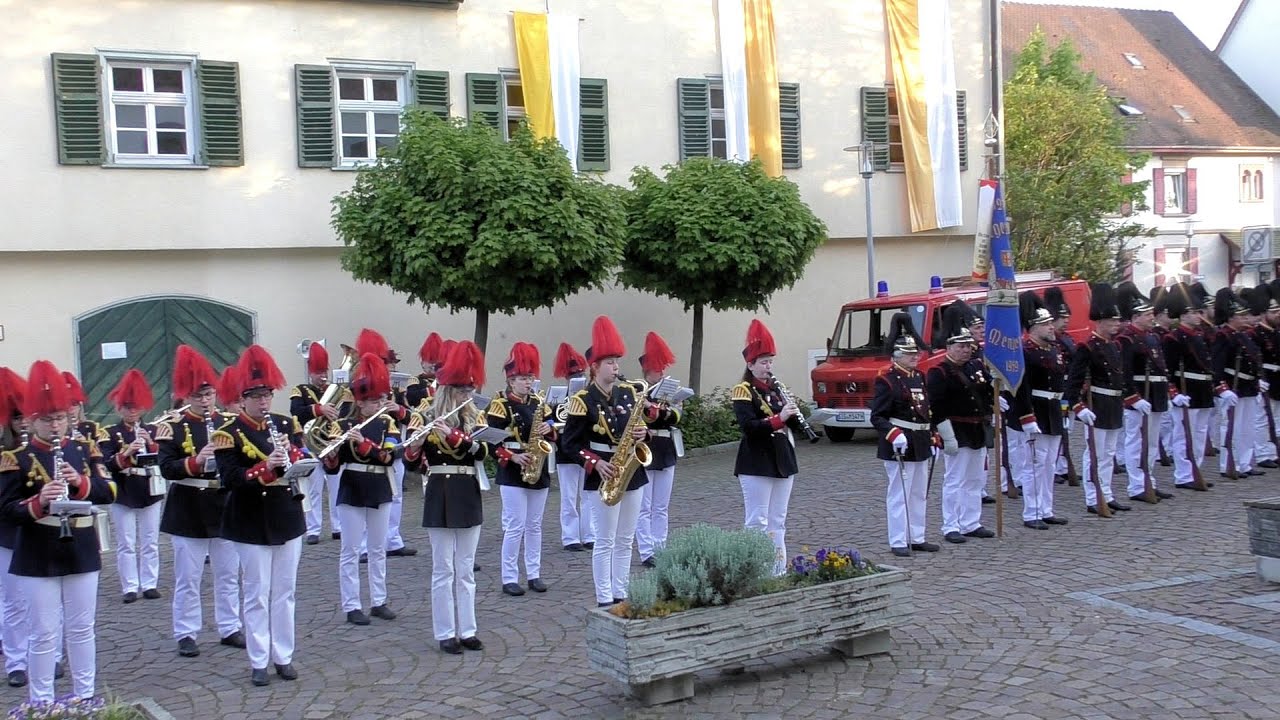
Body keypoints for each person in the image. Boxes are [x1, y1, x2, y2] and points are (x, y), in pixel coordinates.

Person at [0, 360, 116, 703]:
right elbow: (5, 510)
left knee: (82, 628)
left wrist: (80, 482)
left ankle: (86, 695)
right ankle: (42, 702)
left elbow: (108, 492)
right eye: (48, 419)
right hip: (37, 549)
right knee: (44, 633)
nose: (55, 425)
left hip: (80, 544)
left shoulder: (83, 449)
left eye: (61, 418)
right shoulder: (15, 457)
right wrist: (38, 501)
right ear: (33, 420)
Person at [212, 345, 308, 686]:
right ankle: (258, 659)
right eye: (256, 396)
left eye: (267, 395)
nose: (264, 403)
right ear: (243, 397)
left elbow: (301, 460)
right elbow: (230, 478)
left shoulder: (284, 423)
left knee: (285, 590)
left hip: (287, 513)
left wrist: (294, 458)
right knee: (256, 592)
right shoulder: (228, 432)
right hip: (250, 518)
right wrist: (265, 468)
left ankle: (284, 655)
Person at [155, 345, 244, 658]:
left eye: (209, 395)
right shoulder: (172, 425)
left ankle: (230, 626)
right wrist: (195, 460)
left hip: (223, 502)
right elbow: (166, 468)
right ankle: (186, 631)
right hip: (189, 505)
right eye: (198, 396)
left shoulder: (230, 422)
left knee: (228, 572)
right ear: (186, 396)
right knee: (188, 577)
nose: (205, 402)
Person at [562, 316, 652, 605]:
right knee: (605, 540)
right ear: (595, 367)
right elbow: (569, 444)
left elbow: (638, 429)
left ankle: (621, 591)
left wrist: (643, 433)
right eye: (610, 362)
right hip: (603, 472)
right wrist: (595, 463)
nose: (616, 367)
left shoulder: (628, 393)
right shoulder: (582, 400)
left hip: (630, 471)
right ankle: (604, 596)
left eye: (617, 362)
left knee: (626, 539)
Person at [416, 340, 488, 653]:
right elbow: (409, 461)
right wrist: (414, 445)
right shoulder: (425, 415)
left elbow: (485, 451)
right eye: (460, 391)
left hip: (467, 489)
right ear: (447, 391)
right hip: (439, 492)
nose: (466, 396)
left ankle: (468, 629)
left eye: (468, 391)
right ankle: (446, 632)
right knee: (443, 567)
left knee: (466, 566)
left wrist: (455, 435)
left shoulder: (475, 417)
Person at [322, 352, 402, 626]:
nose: (378, 404)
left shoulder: (387, 423)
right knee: (351, 549)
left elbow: (390, 456)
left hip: (380, 485)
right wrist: (331, 450)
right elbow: (333, 466)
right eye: (372, 401)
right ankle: (352, 604)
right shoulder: (343, 425)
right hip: (352, 487)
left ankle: (379, 600)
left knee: (378, 548)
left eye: (381, 399)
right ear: (359, 402)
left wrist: (365, 445)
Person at [731, 319, 807, 571]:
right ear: (750, 365)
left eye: (770, 361)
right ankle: (755, 570)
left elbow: (791, 426)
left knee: (778, 519)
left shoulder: (776, 390)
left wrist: (795, 416)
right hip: (756, 462)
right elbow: (749, 428)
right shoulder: (743, 391)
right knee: (757, 520)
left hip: (782, 459)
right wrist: (779, 418)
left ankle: (777, 570)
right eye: (763, 362)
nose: (768, 367)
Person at [486, 342, 555, 596]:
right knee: (515, 525)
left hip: (538, 466)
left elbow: (553, 428)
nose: (528, 383)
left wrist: (551, 429)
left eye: (530, 378)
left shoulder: (538, 402)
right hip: (513, 470)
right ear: (510, 380)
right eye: (523, 379)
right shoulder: (500, 404)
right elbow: (491, 440)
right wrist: (512, 457)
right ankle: (509, 577)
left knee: (535, 525)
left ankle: (534, 574)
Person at [927, 302, 995, 544]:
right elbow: (936, 408)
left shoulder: (976, 366)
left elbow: (987, 393)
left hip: (977, 429)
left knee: (975, 479)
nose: (967, 350)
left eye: (969, 346)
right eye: (961, 346)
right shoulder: (940, 372)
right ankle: (951, 525)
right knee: (955, 480)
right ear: (949, 347)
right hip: (956, 430)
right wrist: (947, 437)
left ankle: (971, 522)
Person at [871, 314, 938, 556]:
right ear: (897, 355)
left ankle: (917, 535)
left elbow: (925, 410)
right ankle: (898, 540)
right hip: (899, 443)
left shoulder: (919, 377)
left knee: (919, 492)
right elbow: (877, 416)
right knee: (900, 493)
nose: (915, 356)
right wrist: (893, 433)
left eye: (916, 353)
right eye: (910, 354)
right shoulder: (887, 381)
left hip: (919, 441)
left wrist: (933, 434)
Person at [1065, 283, 1132, 516]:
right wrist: (1077, 406)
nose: (1116, 325)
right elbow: (1073, 381)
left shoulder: (1114, 345)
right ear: (1100, 321)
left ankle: (1107, 493)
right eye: (1112, 321)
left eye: (1117, 321)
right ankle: (1093, 497)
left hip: (1113, 404)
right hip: (1096, 405)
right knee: (1095, 452)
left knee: (1109, 453)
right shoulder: (1087, 346)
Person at [99, 369, 165, 603]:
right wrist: (127, 451)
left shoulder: (154, 430)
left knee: (150, 539)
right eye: (127, 406)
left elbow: (165, 459)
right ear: (119, 408)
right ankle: (129, 585)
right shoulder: (109, 433)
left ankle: (149, 583)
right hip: (124, 488)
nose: (132, 411)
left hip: (149, 487)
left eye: (136, 406)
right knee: (126, 541)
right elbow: (107, 462)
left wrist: (151, 444)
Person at [1008, 292, 1070, 529]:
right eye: (1045, 324)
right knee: (1034, 464)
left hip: (1053, 409)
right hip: (1034, 411)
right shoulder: (1025, 351)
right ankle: (1032, 512)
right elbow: (1021, 388)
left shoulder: (1053, 349)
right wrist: (1026, 416)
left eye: (1050, 323)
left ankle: (1046, 508)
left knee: (1049, 464)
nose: (1051, 327)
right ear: (1033, 328)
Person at [357, 329, 417, 558]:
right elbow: (348, 415)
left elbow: (410, 417)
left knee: (396, 495)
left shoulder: (393, 388)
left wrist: (397, 409)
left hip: (393, 446)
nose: (386, 367)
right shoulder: (357, 387)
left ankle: (392, 539)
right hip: (366, 448)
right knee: (366, 498)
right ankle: (365, 545)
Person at [1115, 283, 1174, 504]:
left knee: (1151, 443)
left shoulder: (1152, 337)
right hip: (1140, 395)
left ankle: (1149, 481)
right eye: (1147, 314)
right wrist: (1133, 397)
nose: (1152, 317)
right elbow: (1125, 372)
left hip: (1156, 394)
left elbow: (1161, 367)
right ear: (1135, 316)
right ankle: (1137, 484)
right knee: (1136, 442)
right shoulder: (1127, 339)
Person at [634, 332, 682, 567]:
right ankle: (646, 550)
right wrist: (650, 409)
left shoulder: (669, 392)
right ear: (647, 371)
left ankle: (660, 546)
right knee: (644, 506)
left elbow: (675, 416)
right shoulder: (636, 391)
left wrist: (656, 410)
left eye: (662, 369)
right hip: (645, 447)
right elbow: (639, 420)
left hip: (665, 447)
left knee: (661, 505)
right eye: (657, 369)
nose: (661, 373)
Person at [1163, 283, 1215, 492]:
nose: (1198, 316)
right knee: (1184, 433)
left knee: (1200, 432)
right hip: (1187, 389)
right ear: (1183, 315)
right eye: (1194, 312)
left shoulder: (1200, 335)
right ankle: (1184, 474)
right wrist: (1173, 393)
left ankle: (1196, 469)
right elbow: (1168, 369)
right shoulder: (1173, 338)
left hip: (1202, 388)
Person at [291, 342, 344, 545]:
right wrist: (318, 410)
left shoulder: (335, 390)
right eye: (317, 372)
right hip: (311, 444)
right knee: (314, 489)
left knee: (336, 486)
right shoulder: (301, 390)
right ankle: (313, 529)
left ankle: (338, 526)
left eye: (324, 371)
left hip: (331, 443)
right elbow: (296, 412)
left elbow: (346, 412)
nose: (321, 376)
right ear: (310, 372)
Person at [1212, 287, 1264, 478]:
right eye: (1241, 316)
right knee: (1231, 427)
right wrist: (1222, 388)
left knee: (1247, 427)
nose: (1245, 319)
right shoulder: (1223, 336)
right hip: (1233, 387)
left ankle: (1245, 463)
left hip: (1248, 386)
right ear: (1232, 317)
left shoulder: (1243, 335)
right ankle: (1229, 464)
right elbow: (1216, 365)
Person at [552, 342, 595, 552]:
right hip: (566, 451)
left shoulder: (588, 396)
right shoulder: (557, 398)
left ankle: (589, 534)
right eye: (573, 375)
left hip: (586, 449)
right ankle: (570, 537)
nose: (577, 377)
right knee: (568, 496)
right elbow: (551, 424)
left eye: (580, 373)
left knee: (587, 494)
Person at [1252, 282, 1280, 469]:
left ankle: (1274, 450)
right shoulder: (1256, 334)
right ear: (1264, 313)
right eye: (1274, 312)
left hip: (1278, 378)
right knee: (1262, 418)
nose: (1278, 315)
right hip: (1266, 377)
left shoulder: (1276, 332)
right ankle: (1263, 452)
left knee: (1277, 418)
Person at [406, 332, 444, 411]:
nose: (433, 364)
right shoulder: (416, 380)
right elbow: (411, 398)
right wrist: (433, 389)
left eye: (436, 361)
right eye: (430, 360)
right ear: (422, 363)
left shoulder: (445, 381)